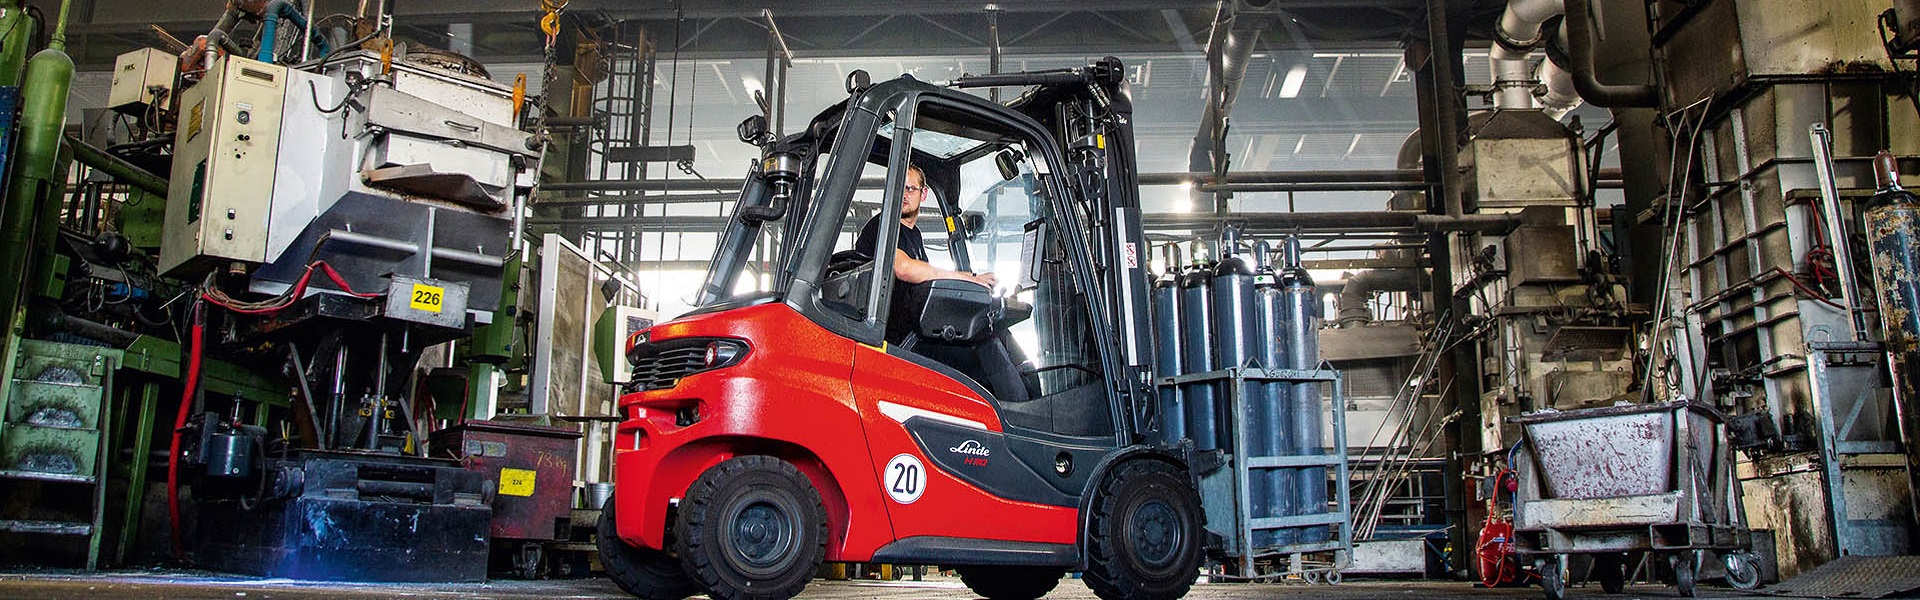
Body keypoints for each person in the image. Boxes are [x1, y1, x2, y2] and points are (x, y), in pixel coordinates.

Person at [855, 164, 997, 342]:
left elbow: (927, 277)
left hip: (912, 334)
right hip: (888, 338)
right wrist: (968, 279)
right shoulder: (882, 227)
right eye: (898, 187)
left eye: (910, 188)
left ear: (923, 194)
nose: (903, 194)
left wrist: (972, 278)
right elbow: (904, 268)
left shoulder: (914, 235)